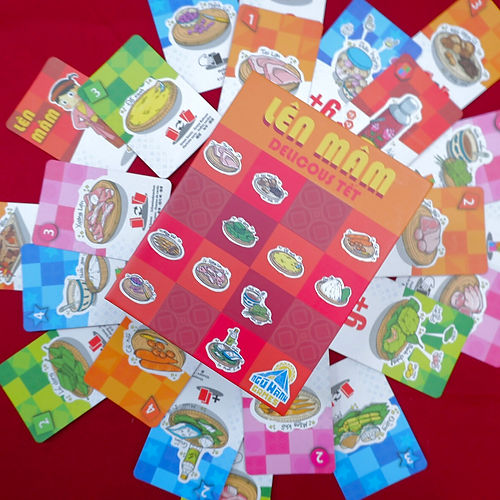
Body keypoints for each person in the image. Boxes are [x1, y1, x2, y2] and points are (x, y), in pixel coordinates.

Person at [49, 73, 123, 147]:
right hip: (97, 125)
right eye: (64, 102)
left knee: (118, 128)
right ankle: (124, 146)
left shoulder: (87, 97)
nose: (71, 101)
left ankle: (126, 140)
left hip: (105, 116)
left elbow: (100, 96)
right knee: (110, 136)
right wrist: (86, 123)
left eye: (71, 94)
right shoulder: (75, 112)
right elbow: (77, 124)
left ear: (77, 88)